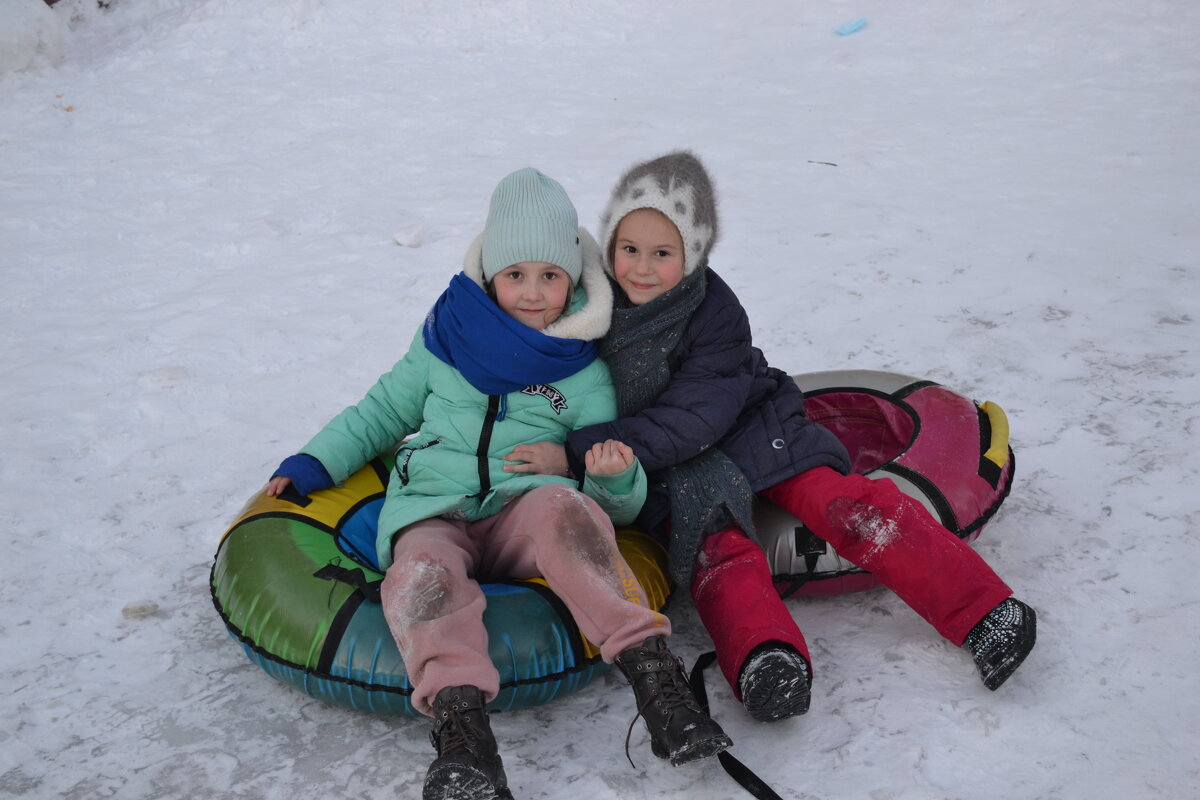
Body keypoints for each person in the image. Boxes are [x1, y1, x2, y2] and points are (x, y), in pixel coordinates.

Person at [503, 152, 1037, 726]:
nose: (641, 268)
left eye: (663, 253)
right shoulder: (590, 305)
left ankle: (983, 612)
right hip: (668, 470)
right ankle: (766, 657)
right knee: (715, 548)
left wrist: (578, 451)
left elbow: (694, 420)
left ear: (694, 253)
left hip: (751, 428)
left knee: (846, 505)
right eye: (629, 249)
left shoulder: (714, 313)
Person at [267, 168, 730, 800]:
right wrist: (311, 464)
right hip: (435, 506)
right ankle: (465, 737)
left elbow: (606, 507)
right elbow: (380, 414)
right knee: (421, 575)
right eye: (515, 275)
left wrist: (610, 477)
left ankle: (657, 684)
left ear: (573, 280)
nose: (533, 294)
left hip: (522, 510)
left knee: (568, 516)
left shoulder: (584, 373)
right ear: (490, 275)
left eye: (550, 276)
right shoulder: (443, 344)